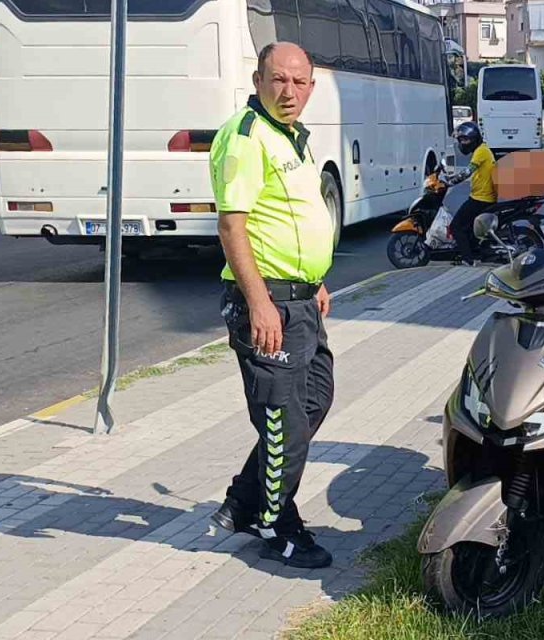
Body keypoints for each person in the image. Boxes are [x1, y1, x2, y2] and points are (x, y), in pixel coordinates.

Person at [208, 42, 335, 569]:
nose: (290, 92)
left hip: (302, 299)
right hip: (269, 306)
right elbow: (232, 226)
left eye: (300, 82)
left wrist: (315, 278)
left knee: (314, 402)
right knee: (284, 422)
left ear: (310, 86)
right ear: (258, 79)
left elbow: (292, 217)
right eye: (279, 80)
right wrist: (260, 303)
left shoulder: (293, 138)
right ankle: (276, 525)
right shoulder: (245, 137)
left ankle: (243, 499)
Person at [447, 121, 496, 266]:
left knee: (455, 226)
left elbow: (467, 172)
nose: (463, 143)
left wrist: (450, 181)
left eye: (465, 139)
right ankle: (472, 251)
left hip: (481, 199)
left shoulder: (481, 151)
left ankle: (468, 260)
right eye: (461, 140)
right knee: (467, 227)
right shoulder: (482, 149)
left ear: (474, 138)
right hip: (483, 197)